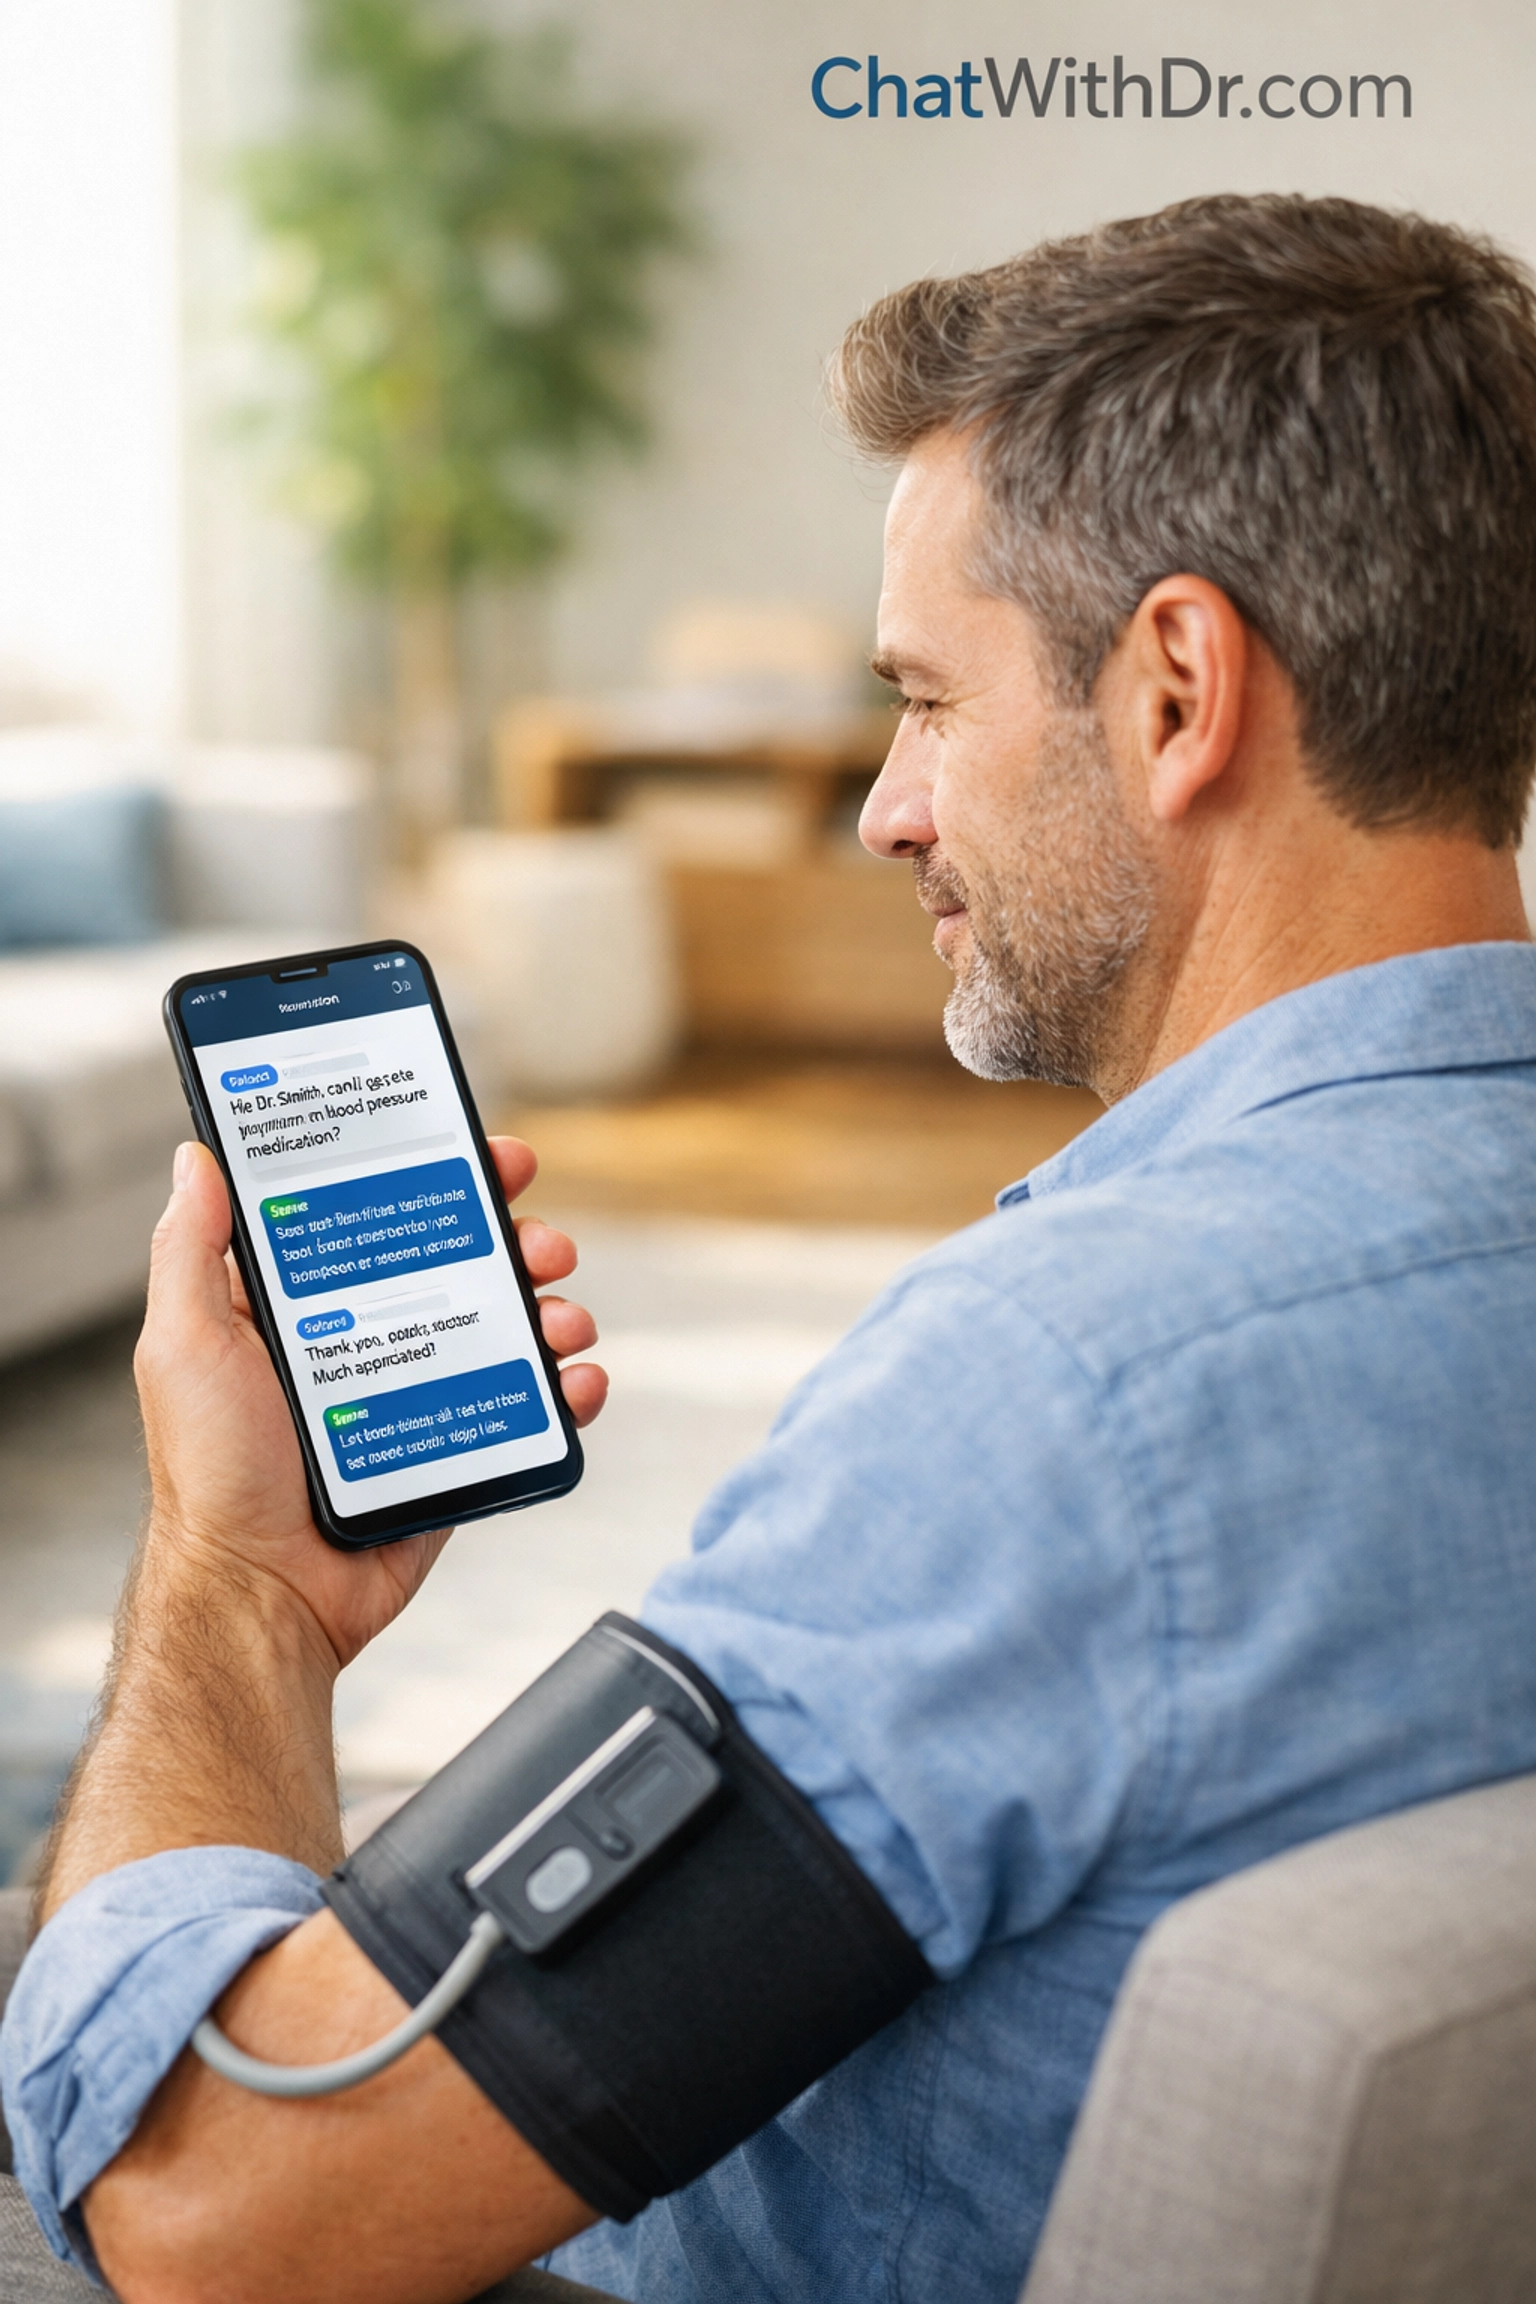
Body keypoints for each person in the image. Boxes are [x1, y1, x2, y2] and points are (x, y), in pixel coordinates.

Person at [6, 189, 1536, 2304]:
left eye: (925, 698)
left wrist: (237, 1585)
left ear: (1179, 689)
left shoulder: (1067, 1403)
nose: (884, 807)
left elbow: (210, 2213)